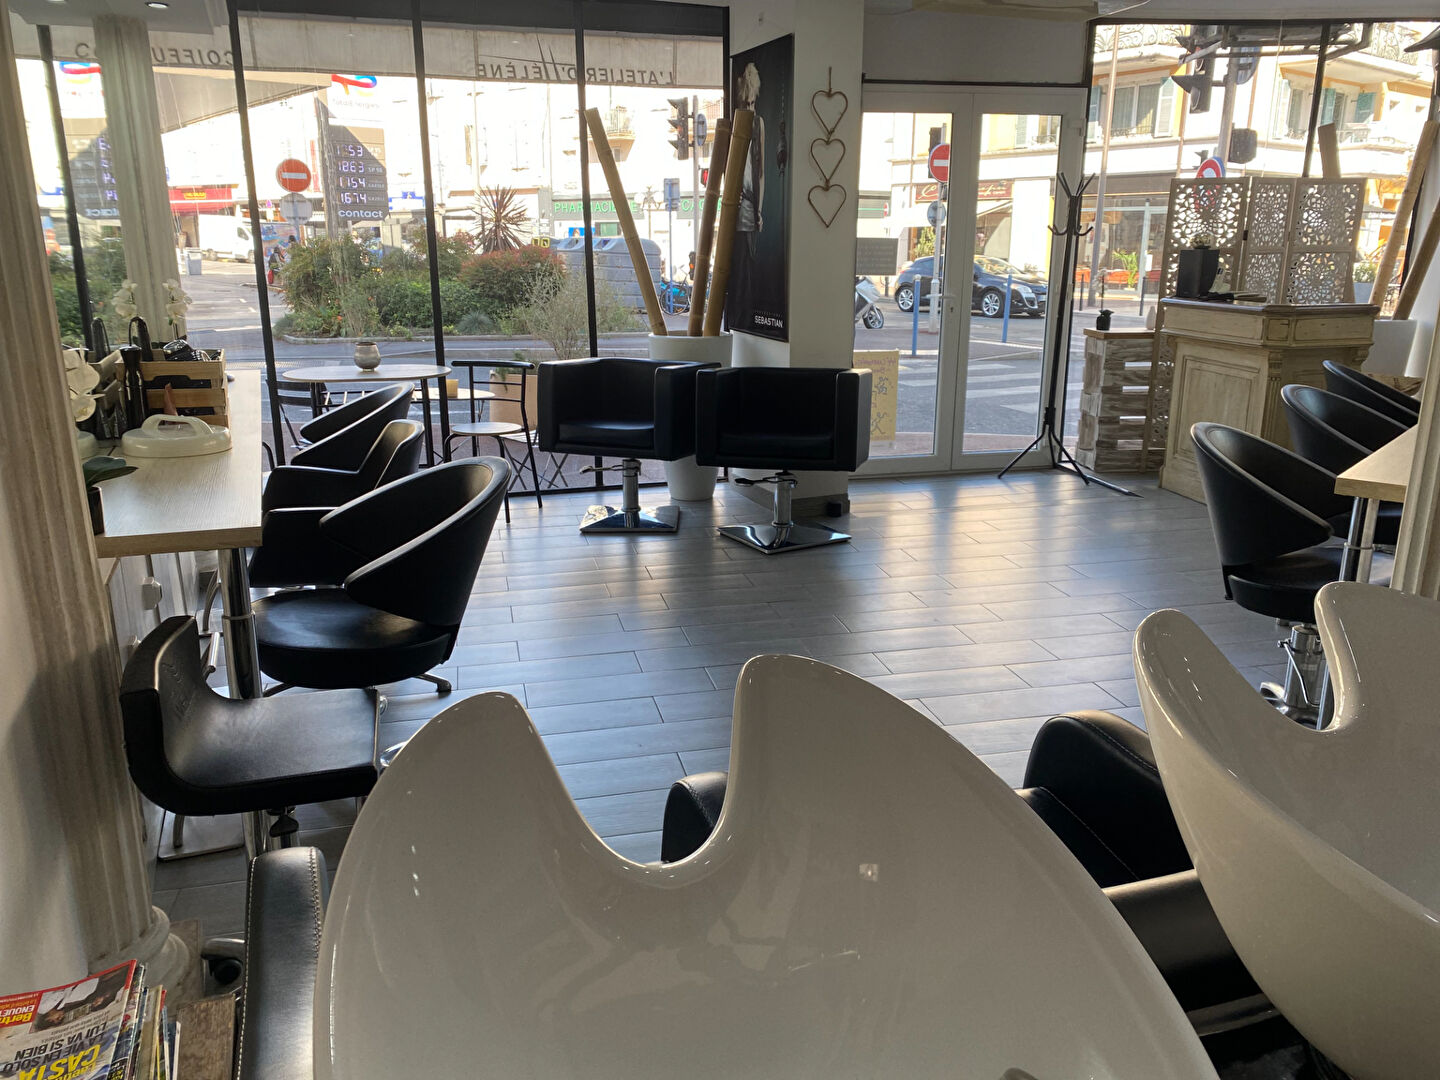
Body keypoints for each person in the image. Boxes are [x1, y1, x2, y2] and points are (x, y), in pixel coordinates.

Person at [731, 63, 766, 330]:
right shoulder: (732, 125)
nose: (750, 108)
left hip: (751, 202)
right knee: (739, 266)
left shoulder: (757, 124)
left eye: (752, 103)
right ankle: (739, 317)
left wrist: (759, 211)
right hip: (736, 203)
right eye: (746, 103)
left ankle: (747, 315)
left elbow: (761, 171)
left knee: (750, 264)